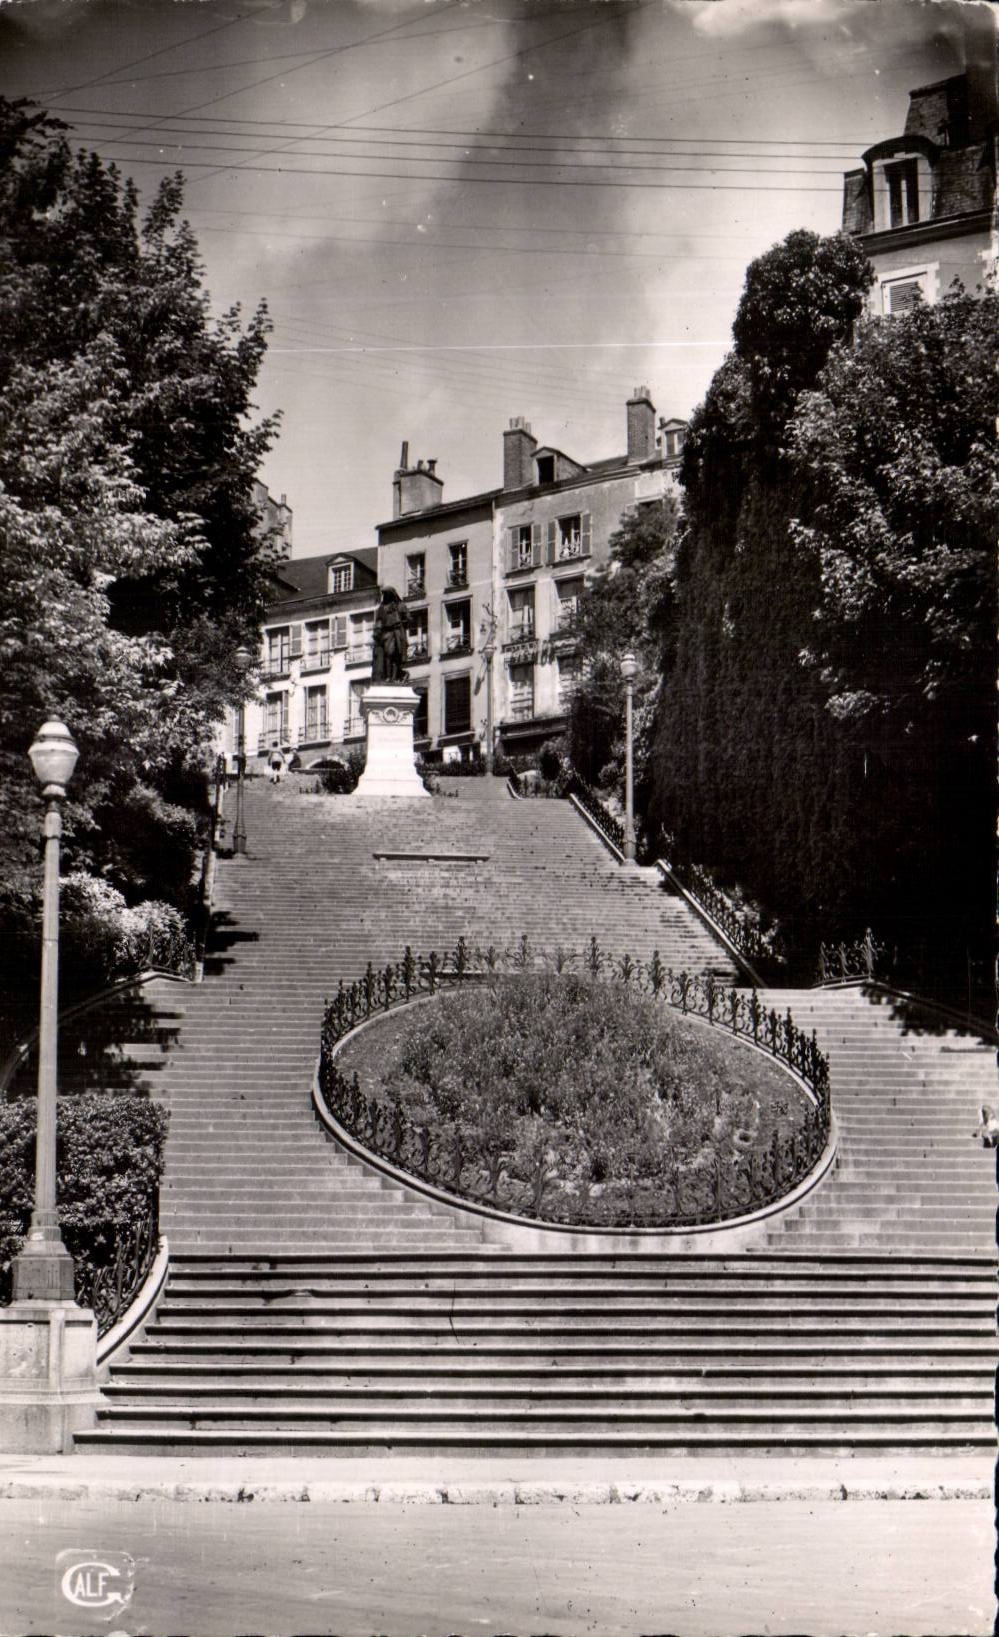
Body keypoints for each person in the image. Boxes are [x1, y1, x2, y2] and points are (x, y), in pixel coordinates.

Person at [371, 586, 410, 683]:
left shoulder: (400, 605)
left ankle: (394, 676)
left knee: (396, 655)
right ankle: (389, 676)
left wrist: (405, 619)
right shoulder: (382, 607)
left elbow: (408, 617)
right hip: (387, 633)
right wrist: (377, 632)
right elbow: (379, 621)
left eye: (387, 594)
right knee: (388, 654)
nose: (386, 596)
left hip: (397, 631)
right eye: (384, 594)